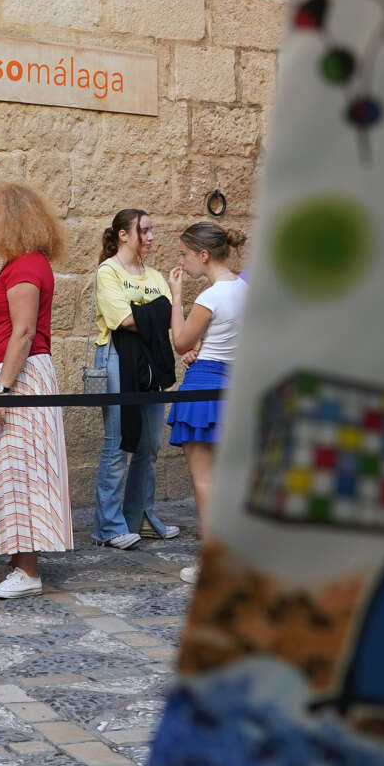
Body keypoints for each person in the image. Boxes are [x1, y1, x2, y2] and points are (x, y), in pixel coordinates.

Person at [0, 184, 73, 601]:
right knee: (6, 472)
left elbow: (23, 332)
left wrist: (1, 390)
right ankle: (15, 562)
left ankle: (27, 571)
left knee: (19, 471)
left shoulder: (27, 266)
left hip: (16, 379)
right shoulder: (18, 264)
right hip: (2, 375)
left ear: (13, 219)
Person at [89, 208, 177, 550]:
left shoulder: (154, 274)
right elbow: (123, 320)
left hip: (151, 362)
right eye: (145, 230)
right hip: (117, 358)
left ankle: (139, 516)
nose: (151, 236)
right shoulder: (108, 271)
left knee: (150, 444)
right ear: (124, 235)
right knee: (118, 441)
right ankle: (108, 526)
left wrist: (148, 312)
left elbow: (167, 316)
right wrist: (153, 311)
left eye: (152, 230)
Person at [166, 220, 247, 577]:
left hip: (204, 385)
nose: (182, 262)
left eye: (185, 254)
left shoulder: (210, 296)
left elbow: (180, 341)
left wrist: (176, 297)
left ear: (203, 254)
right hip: (232, 383)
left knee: (204, 479)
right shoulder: (245, 290)